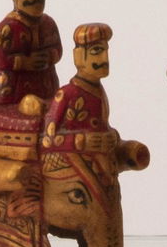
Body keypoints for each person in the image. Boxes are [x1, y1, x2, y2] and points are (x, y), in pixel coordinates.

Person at [40, 22, 117, 162]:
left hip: (96, 159)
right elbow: (47, 140)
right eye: (97, 51)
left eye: (106, 51)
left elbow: (102, 127)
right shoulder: (67, 94)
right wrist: (81, 141)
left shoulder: (99, 91)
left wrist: (112, 136)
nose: (105, 59)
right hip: (68, 162)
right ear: (79, 56)